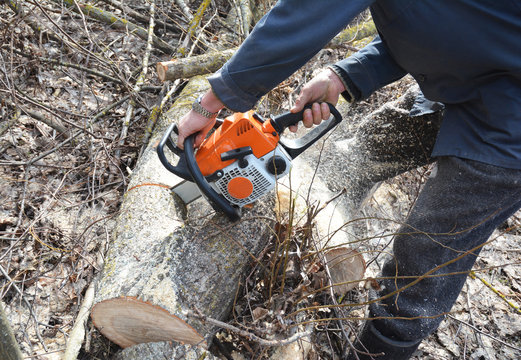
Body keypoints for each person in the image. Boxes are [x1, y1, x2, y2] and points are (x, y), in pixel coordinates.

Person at [176, 1, 521, 359]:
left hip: (511, 126)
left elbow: (307, 12)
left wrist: (212, 101)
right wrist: (345, 75)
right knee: (363, 154)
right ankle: (321, 248)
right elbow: (440, 25)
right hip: (475, 78)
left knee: (423, 262)